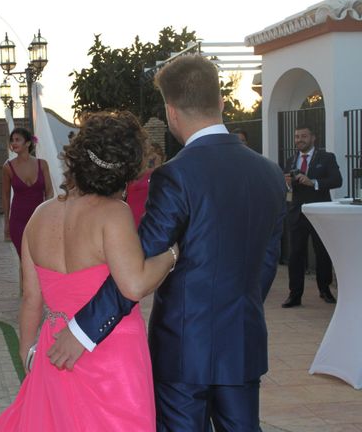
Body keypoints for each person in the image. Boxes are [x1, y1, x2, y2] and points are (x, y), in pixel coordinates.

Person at [49, 56, 287, 431]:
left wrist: (82, 331)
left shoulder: (175, 175)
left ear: (171, 111)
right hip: (243, 343)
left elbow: (140, 260)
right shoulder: (271, 174)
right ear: (221, 103)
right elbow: (266, 263)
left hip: (183, 350)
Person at [0, 111, 178, 431]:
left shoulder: (38, 216)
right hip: (112, 352)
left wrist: (27, 355)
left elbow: (31, 299)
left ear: (75, 157)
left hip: (54, 352)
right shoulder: (113, 214)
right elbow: (134, 284)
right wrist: (173, 254)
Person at [281, 125, 342, 308]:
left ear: (313, 138)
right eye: (297, 136)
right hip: (297, 213)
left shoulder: (326, 157)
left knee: (322, 252)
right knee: (295, 254)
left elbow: (337, 181)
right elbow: (287, 189)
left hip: (318, 213)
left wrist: (313, 182)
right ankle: (295, 294)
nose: (299, 139)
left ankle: (325, 290)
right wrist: (288, 183)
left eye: (304, 136)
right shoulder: (291, 160)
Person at [2, 127, 54, 258]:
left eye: (17, 140)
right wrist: (6, 223)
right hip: (18, 220)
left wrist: (46, 214)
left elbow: (49, 192)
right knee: (24, 259)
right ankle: (24, 279)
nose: (13, 143)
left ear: (28, 143)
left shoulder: (42, 164)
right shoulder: (8, 167)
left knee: (39, 258)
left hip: (39, 219)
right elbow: (5, 196)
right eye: (12, 140)